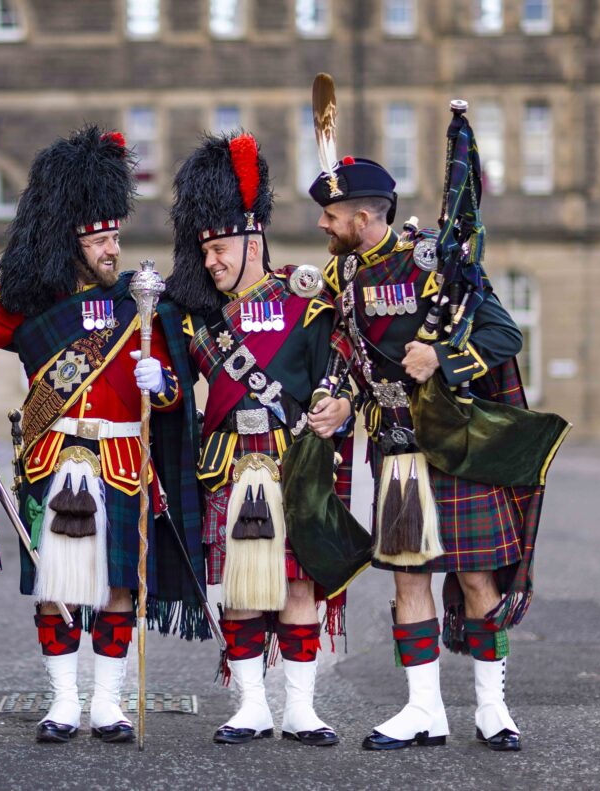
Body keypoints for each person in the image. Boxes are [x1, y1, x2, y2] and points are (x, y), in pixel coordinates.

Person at [0, 126, 208, 744]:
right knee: (56, 588)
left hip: (122, 456)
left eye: (115, 237)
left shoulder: (142, 302)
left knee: (116, 585)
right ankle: (63, 701)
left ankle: (107, 701)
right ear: (71, 244)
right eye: (102, 239)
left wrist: (159, 384)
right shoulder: (26, 306)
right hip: (55, 453)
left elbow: (175, 394)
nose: (113, 249)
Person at [310, 155, 549, 752]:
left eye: (330, 216)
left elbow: (504, 334)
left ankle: (493, 710)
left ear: (363, 217)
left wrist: (440, 358)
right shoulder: (340, 278)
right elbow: (347, 358)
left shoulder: (436, 263)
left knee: (475, 578)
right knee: (408, 581)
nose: (322, 225)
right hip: (395, 449)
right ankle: (423, 710)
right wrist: (338, 400)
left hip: (453, 444)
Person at [167, 132, 357, 747]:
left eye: (222, 248)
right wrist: (158, 381)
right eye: (206, 250)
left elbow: (338, 365)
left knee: (300, 586)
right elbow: (169, 392)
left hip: (292, 458)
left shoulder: (304, 298)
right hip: (230, 462)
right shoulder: (196, 316)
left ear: (255, 240)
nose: (213, 261)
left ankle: (300, 708)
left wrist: (338, 402)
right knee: (243, 588)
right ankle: (250, 705)